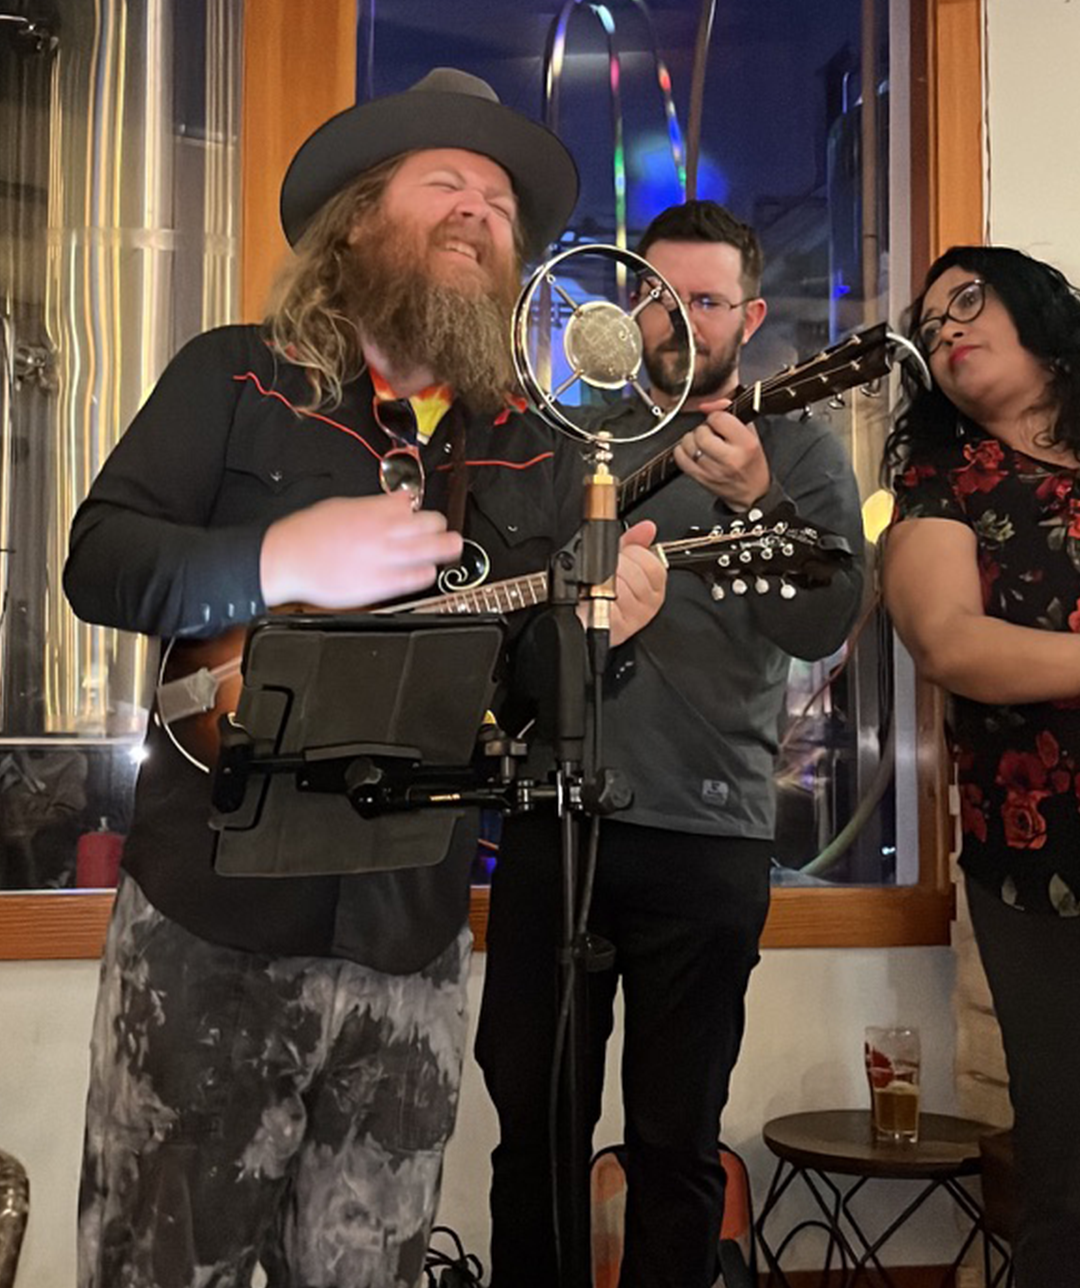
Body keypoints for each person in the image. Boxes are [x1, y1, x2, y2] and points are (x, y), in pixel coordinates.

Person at [63, 67, 668, 1288]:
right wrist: (276, 556)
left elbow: (539, 706)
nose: (480, 210)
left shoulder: (531, 449)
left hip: (414, 940)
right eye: (444, 180)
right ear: (356, 220)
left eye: (500, 202)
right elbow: (103, 563)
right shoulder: (236, 375)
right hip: (208, 925)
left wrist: (604, 633)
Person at [476, 199, 866, 1288]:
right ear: (623, 303)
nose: (677, 320)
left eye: (703, 300)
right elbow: (493, 630)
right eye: (657, 295)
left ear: (750, 313)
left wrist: (762, 502)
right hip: (552, 823)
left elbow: (822, 625)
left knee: (678, 1139)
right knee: (534, 1133)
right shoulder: (555, 442)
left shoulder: (797, 452)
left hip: (708, 834)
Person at [882, 245, 1080, 1288]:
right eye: (932, 321)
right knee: (1070, 1168)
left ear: (1042, 311)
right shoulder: (940, 485)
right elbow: (951, 646)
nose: (948, 323)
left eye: (970, 297)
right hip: (1047, 864)